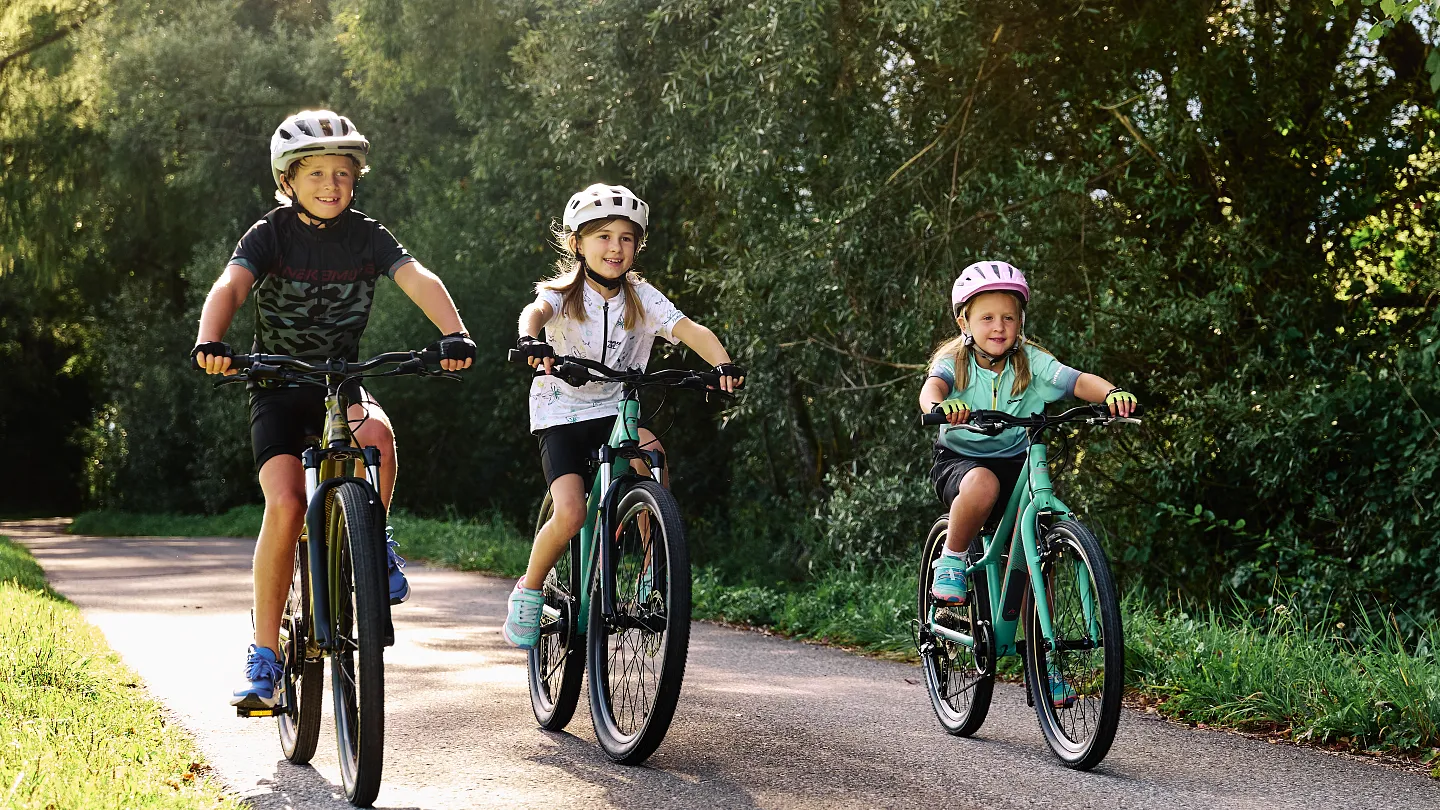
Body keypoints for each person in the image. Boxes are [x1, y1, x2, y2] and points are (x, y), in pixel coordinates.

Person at [190, 110, 476, 710]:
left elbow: (416, 277)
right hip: (277, 385)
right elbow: (231, 285)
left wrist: (454, 333)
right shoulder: (269, 234)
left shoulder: (368, 236)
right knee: (287, 503)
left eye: (342, 173)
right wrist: (211, 340)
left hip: (340, 383)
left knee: (379, 437)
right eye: (316, 173)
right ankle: (265, 656)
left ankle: (374, 536)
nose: (331, 184)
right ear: (288, 180)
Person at [506, 183, 744, 649]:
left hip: (614, 408)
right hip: (561, 412)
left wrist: (722, 365)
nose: (616, 248)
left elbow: (689, 329)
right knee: (571, 512)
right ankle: (529, 589)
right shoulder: (562, 293)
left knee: (651, 453)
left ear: (637, 245)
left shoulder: (642, 297)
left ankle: (653, 569)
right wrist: (531, 341)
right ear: (577, 243)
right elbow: (534, 313)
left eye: (627, 238)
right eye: (604, 236)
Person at [917, 260, 1136, 706]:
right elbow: (931, 389)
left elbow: (1077, 381)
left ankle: (1046, 665)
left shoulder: (1032, 362)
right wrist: (940, 407)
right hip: (961, 461)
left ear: (1021, 322)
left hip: (1018, 460)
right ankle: (953, 559)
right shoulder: (953, 361)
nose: (999, 327)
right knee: (982, 485)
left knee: (1038, 555)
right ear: (964, 322)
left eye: (1009, 317)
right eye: (987, 317)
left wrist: (1112, 393)